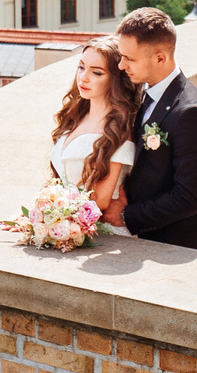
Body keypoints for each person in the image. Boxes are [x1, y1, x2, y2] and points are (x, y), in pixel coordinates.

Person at [112, 7, 197, 252]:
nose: (121, 65)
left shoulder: (191, 114)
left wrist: (127, 216)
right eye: (121, 56)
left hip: (177, 245)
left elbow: (188, 198)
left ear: (160, 58)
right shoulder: (143, 89)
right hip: (144, 243)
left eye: (130, 59)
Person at [47, 37, 139, 234]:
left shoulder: (119, 129)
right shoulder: (74, 117)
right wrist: (36, 216)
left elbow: (101, 200)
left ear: (116, 79)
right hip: (66, 228)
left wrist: (51, 217)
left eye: (96, 72)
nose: (83, 78)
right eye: (81, 67)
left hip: (103, 234)